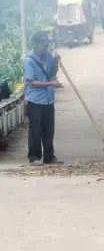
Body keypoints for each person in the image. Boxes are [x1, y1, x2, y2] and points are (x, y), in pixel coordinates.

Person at [23, 31, 63, 165]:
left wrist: (56, 62)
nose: (45, 47)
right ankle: (34, 157)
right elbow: (31, 83)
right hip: (34, 101)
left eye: (47, 44)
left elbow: (52, 73)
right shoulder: (29, 60)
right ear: (36, 44)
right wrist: (51, 84)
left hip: (48, 99)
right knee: (36, 130)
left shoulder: (48, 57)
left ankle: (49, 156)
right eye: (43, 44)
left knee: (49, 129)